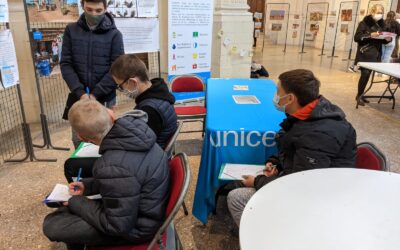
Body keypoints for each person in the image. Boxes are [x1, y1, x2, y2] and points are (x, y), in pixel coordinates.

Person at [227, 69, 357, 227]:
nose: (275, 97)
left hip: (319, 195)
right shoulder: (310, 114)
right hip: (309, 180)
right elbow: (294, 151)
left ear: (290, 98)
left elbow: (300, 185)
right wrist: (275, 162)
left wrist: (257, 181)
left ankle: (264, 237)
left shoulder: (318, 134)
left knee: (236, 198)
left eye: (277, 92)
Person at [43, 99, 169, 250]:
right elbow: (127, 178)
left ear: (82, 138)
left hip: (137, 228)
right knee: (67, 210)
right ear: (111, 115)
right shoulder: (138, 131)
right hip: (144, 209)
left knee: (52, 224)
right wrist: (87, 187)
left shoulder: (110, 165)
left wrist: (77, 202)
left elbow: (117, 226)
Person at [61, 0, 124, 148]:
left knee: (106, 140)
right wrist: (81, 93)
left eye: (98, 10)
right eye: (89, 9)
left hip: (105, 97)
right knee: (79, 140)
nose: (93, 14)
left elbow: (117, 68)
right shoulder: (71, 30)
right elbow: (66, 64)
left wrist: (95, 94)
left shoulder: (115, 35)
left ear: (105, 8)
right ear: (82, 5)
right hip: (79, 98)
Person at [110, 54, 178, 149]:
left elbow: (138, 143)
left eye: (120, 86)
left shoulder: (149, 110)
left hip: (154, 158)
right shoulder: (159, 93)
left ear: (133, 82)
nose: (120, 90)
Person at [353, 4, 392, 106]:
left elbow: (382, 41)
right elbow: (357, 37)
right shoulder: (364, 23)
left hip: (375, 54)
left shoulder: (382, 25)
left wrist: (387, 39)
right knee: (365, 74)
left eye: (381, 12)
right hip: (364, 53)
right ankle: (359, 96)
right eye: (378, 12)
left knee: (368, 75)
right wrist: (370, 35)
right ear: (372, 12)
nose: (380, 14)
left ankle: (361, 95)